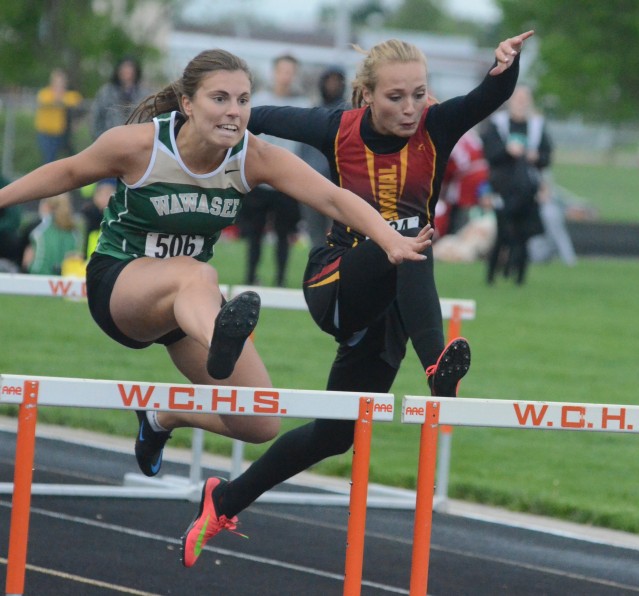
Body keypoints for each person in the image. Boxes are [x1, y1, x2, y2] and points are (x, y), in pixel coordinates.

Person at [179, 31, 534, 568]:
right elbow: (258, 116)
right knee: (410, 231)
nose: (412, 108)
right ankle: (437, 366)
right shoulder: (335, 128)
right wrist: (201, 110)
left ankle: (223, 500)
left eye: (420, 93)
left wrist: (504, 66)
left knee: (334, 434)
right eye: (396, 97)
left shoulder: (437, 126)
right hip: (336, 285)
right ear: (366, 95)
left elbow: (488, 98)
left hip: (391, 312)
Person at [0, 48, 431, 483]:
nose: (234, 112)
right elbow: (68, 172)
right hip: (121, 286)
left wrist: (390, 240)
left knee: (259, 422)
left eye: (244, 101)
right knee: (197, 271)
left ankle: (163, 416)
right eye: (220, 99)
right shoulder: (141, 145)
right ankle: (220, 337)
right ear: (188, 104)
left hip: (189, 307)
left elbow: (332, 197)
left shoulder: (252, 157)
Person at [238, 54, 308, 287]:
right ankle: (250, 277)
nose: (286, 76)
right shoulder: (258, 100)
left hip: (288, 180)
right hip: (259, 178)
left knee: (284, 234)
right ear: (274, 72)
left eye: (290, 71)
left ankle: (280, 279)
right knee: (254, 233)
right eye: (282, 71)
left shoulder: (304, 105)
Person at [482, 85, 552, 285]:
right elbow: (489, 154)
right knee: (503, 232)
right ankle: (492, 276)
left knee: (524, 234)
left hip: (528, 190)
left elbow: (546, 158)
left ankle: (519, 278)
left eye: (525, 99)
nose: (521, 103)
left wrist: (536, 157)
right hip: (502, 188)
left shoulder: (537, 126)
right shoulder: (498, 124)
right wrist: (507, 150)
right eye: (518, 98)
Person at [85, 56, 151, 258]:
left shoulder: (143, 94)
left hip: (136, 155)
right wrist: (101, 141)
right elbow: (95, 118)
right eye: (124, 69)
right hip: (110, 153)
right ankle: (96, 249)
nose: (127, 73)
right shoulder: (107, 92)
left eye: (130, 69)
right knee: (102, 203)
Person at [296, 65, 350, 248]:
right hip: (312, 182)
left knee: (340, 234)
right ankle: (318, 272)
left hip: (339, 184)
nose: (332, 85)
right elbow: (303, 149)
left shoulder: (348, 114)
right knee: (316, 236)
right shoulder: (315, 112)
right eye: (329, 81)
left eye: (336, 81)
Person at [22, 193, 82, 275]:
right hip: (65, 282)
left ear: (47, 206)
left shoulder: (38, 228)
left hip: (37, 276)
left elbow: (27, 260)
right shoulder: (75, 233)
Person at [34, 69, 84, 164]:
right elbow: (51, 101)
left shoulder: (70, 94)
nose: (59, 84)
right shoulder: (45, 93)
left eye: (61, 81)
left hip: (63, 133)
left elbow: (77, 102)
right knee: (49, 160)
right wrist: (61, 98)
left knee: (70, 159)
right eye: (56, 81)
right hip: (46, 132)